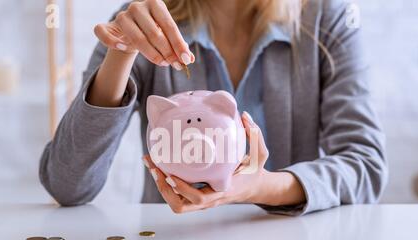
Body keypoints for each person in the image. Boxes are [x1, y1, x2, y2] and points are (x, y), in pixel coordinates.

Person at [39, 0, 388, 215]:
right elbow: (67, 185)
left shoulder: (327, 18)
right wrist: (121, 55)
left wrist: (261, 187)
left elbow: (366, 165)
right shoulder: (142, 23)